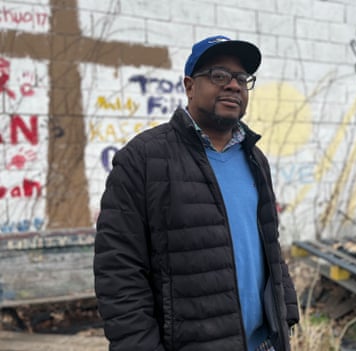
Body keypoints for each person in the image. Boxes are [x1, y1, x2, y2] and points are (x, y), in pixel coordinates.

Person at [94, 35, 299, 351]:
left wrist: (285, 313)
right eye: (219, 76)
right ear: (189, 86)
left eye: (242, 79)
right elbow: (119, 273)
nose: (233, 85)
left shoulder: (255, 159)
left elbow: (269, 244)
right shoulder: (143, 158)